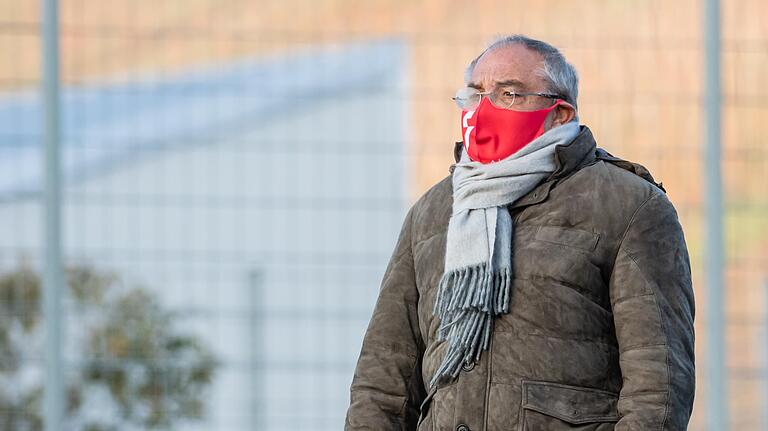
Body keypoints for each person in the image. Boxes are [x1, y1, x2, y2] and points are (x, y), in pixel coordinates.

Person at [344, 34, 695, 431]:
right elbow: (383, 378)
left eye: (508, 94)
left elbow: (658, 385)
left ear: (559, 113)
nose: (485, 108)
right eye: (475, 94)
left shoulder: (627, 206)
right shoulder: (434, 211)